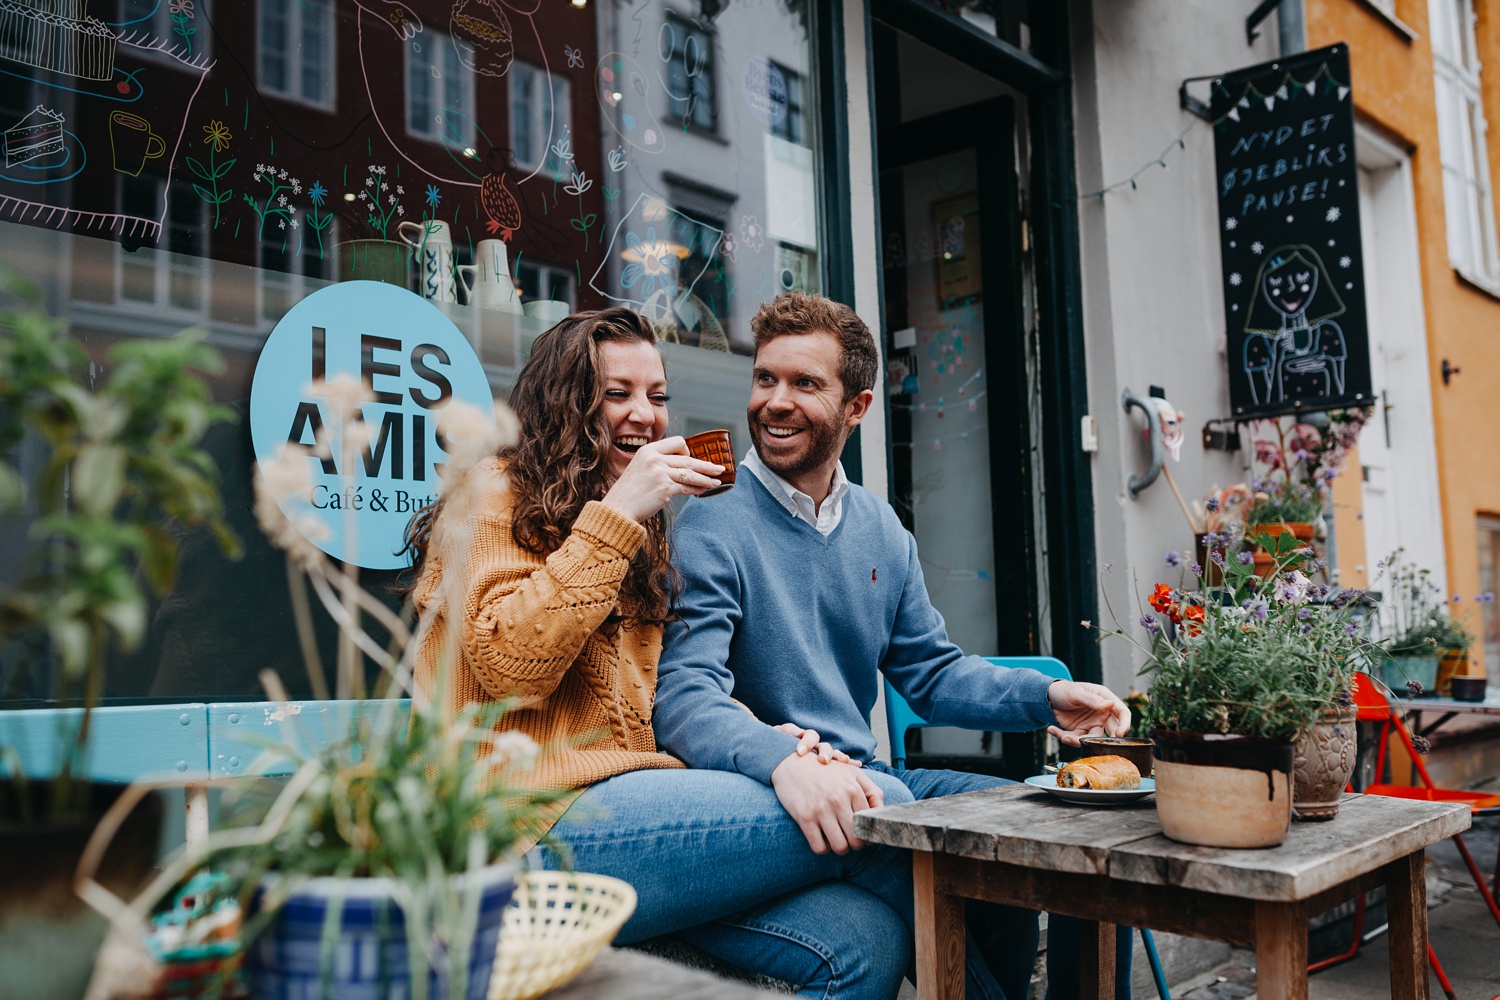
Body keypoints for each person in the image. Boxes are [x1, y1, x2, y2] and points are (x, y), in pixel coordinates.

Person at [404, 306, 925, 1000]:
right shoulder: (492, 495)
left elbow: (656, 701)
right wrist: (619, 514)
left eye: (656, 397)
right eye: (617, 394)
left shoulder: (642, 532)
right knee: (880, 802)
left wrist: (777, 742)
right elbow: (510, 667)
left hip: (637, 817)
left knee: (864, 942)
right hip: (520, 830)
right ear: (564, 402)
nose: (644, 415)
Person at [653, 291, 1136, 999]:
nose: (774, 402)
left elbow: (932, 674)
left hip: (875, 775)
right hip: (772, 792)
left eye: (804, 384)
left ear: (858, 407)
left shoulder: (881, 528)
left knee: (1076, 837)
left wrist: (1047, 696)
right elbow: (685, 696)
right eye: (765, 379)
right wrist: (781, 757)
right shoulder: (711, 521)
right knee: (917, 823)